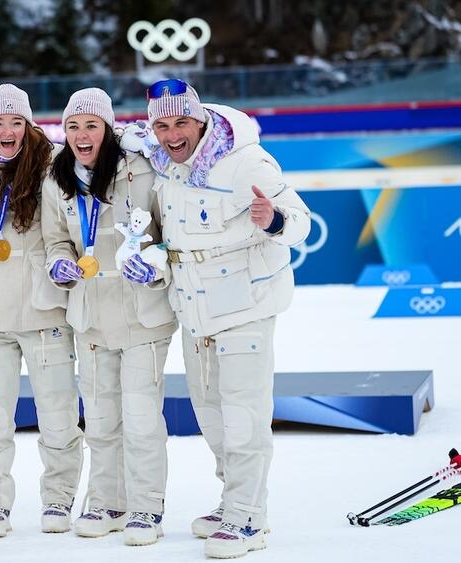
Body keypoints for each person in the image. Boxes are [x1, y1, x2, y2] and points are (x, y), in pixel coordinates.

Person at [140, 79, 310, 559]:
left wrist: (273, 217)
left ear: (200, 121)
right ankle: (232, 500)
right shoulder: (163, 165)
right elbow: (167, 237)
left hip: (245, 309)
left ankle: (248, 517)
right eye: (163, 125)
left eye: (181, 123)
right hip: (194, 312)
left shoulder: (246, 162)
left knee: (243, 418)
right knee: (211, 417)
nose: (173, 135)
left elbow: (301, 223)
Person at [41, 88, 178, 545]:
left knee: (141, 418)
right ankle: (106, 502)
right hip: (90, 318)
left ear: (108, 128)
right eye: (74, 126)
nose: (82, 135)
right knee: (99, 420)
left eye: (91, 125)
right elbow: (56, 239)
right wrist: (59, 264)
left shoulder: (142, 170)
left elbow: (169, 235)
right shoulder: (57, 178)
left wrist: (155, 262)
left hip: (143, 315)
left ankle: (146, 508)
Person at [0, 84, 83, 538]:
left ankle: (58, 498)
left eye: (15, 121)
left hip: (44, 312)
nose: (7, 130)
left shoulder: (55, 165)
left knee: (57, 416)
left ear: (29, 124)